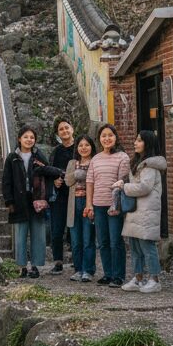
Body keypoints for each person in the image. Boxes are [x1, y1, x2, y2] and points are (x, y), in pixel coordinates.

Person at [2, 125, 62, 278]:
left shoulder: (39, 156)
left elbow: (48, 172)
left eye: (32, 137)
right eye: (26, 137)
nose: (29, 140)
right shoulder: (12, 158)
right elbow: (6, 181)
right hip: (19, 201)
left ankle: (35, 266)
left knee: (38, 234)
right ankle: (22, 266)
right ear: (19, 139)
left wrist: (48, 191)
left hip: (37, 200)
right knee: (21, 235)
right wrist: (9, 201)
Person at [117, 130, 168, 293]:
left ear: (148, 144)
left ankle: (154, 279)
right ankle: (138, 278)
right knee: (135, 247)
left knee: (147, 246)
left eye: (139, 141)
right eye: (136, 140)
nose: (135, 143)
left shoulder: (150, 166)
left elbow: (144, 188)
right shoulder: (140, 163)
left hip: (146, 212)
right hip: (136, 211)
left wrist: (124, 187)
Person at [84, 123, 130, 286]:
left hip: (114, 206)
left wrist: (116, 205)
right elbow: (90, 181)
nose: (107, 138)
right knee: (102, 241)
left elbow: (123, 181)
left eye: (110, 135)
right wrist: (89, 204)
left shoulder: (122, 157)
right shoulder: (95, 159)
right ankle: (108, 273)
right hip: (98, 205)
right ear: (99, 139)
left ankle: (119, 276)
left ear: (115, 138)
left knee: (116, 241)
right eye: (104, 136)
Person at [66, 135, 96, 282]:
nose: (83, 148)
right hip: (73, 203)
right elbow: (67, 180)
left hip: (88, 202)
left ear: (92, 147)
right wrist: (77, 174)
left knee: (87, 238)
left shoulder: (95, 162)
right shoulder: (72, 162)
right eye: (80, 145)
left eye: (87, 145)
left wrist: (82, 175)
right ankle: (78, 269)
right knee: (76, 240)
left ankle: (88, 270)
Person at [48, 117, 75, 274]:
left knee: (75, 228)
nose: (64, 131)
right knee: (57, 229)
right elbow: (49, 171)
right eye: (61, 129)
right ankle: (58, 261)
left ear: (72, 129)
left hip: (76, 193)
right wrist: (54, 181)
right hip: (59, 195)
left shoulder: (80, 148)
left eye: (66, 127)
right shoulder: (55, 152)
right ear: (58, 134)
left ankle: (76, 259)